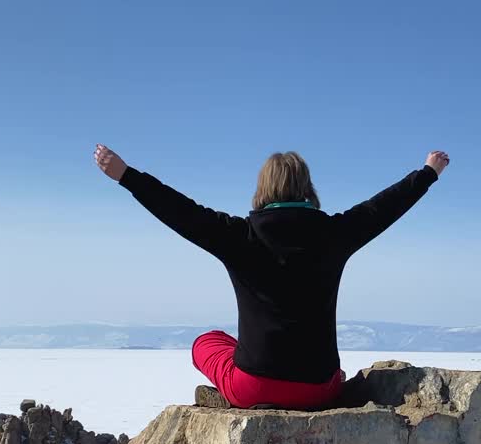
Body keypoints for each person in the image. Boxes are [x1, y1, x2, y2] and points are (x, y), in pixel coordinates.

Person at [94, 145, 449, 410]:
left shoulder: (240, 236)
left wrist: (126, 175)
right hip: (320, 388)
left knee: (207, 342)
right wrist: (427, 173)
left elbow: (181, 211)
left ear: (263, 189)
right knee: (233, 346)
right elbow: (382, 207)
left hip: (254, 387)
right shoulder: (334, 233)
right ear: (307, 188)